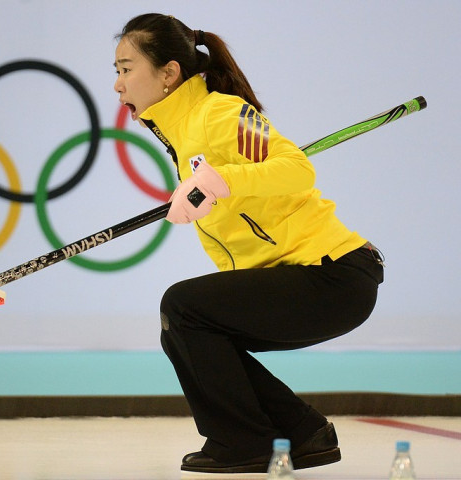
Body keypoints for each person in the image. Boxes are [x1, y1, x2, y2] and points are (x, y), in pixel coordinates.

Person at [113, 13, 385, 474]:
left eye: (125, 69)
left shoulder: (220, 113)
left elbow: (297, 169)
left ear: (169, 72)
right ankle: (302, 432)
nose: (117, 85)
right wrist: (211, 184)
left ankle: (242, 442)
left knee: (183, 308)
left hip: (334, 274)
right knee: (184, 328)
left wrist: (221, 179)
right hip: (303, 277)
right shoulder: (183, 132)